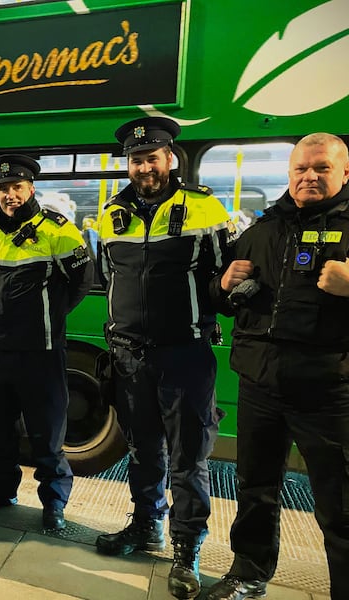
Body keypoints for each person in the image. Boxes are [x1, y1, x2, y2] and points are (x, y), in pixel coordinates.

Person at [94, 117, 233, 599]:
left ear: (170, 158)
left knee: (188, 459)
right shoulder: (112, 213)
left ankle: (186, 548)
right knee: (141, 450)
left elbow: (227, 279)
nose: (144, 166)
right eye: (136, 159)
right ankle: (145, 526)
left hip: (185, 357)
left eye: (152, 157)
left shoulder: (204, 207)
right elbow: (107, 274)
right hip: (130, 357)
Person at [206, 133, 349, 600]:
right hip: (261, 383)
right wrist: (222, 284)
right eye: (301, 169)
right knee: (256, 489)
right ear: (289, 174)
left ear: (344, 172)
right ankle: (247, 575)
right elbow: (225, 299)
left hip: (329, 389)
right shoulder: (263, 229)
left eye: (321, 168)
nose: (309, 176)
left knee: (339, 503)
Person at [0, 154, 94, 531]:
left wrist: (52, 318)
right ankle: (3, 489)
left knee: (47, 432)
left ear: (30, 188)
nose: (10, 195)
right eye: (4, 188)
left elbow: (82, 281)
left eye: (17, 187)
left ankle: (53, 502)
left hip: (40, 350)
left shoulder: (59, 229)